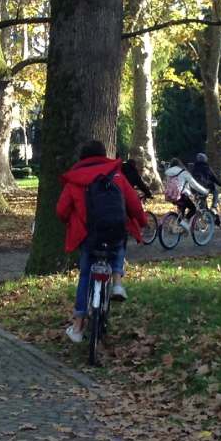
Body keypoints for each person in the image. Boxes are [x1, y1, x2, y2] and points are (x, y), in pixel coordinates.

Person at [57, 140, 148, 344]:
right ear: (103, 155)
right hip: (114, 232)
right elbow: (133, 204)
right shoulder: (116, 175)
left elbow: (61, 210)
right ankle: (117, 282)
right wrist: (142, 222)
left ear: (82, 159)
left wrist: (71, 221)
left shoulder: (75, 180)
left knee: (85, 275)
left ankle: (78, 326)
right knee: (119, 243)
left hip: (89, 237)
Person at [163, 157, 208, 228]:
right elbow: (195, 185)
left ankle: (179, 226)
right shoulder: (184, 173)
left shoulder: (167, 172)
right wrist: (205, 191)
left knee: (182, 209)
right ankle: (184, 224)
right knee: (193, 209)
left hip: (170, 195)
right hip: (182, 195)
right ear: (180, 164)